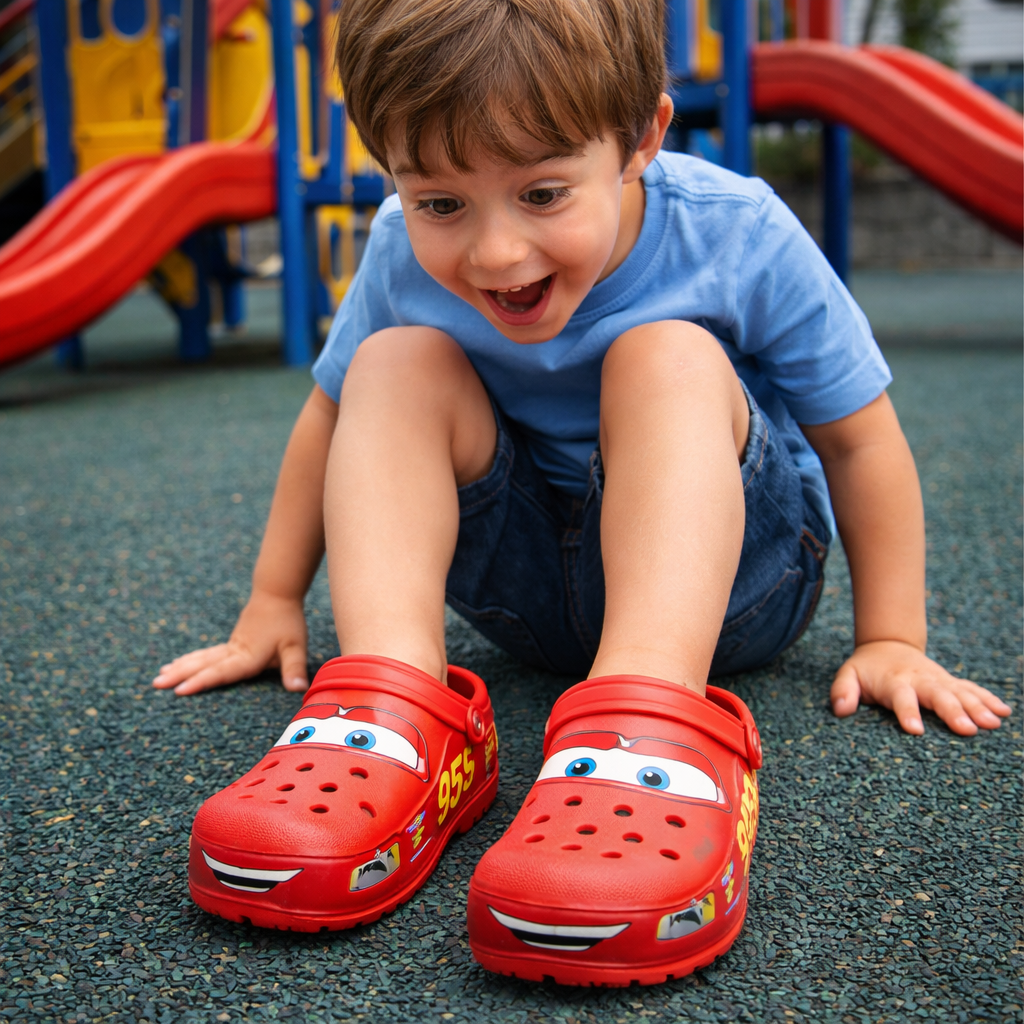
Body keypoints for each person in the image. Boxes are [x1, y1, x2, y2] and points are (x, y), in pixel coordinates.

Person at [155, 0, 1010, 986]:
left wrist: (892, 634)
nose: (496, 252)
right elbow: (328, 420)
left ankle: (649, 712)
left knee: (664, 355)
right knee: (388, 366)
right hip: (525, 591)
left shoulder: (732, 230)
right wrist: (272, 598)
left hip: (734, 589)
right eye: (441, 204)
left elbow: (859, 439)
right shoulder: (396, 247)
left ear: (640, 138)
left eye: (543, 193)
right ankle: (399, 708)